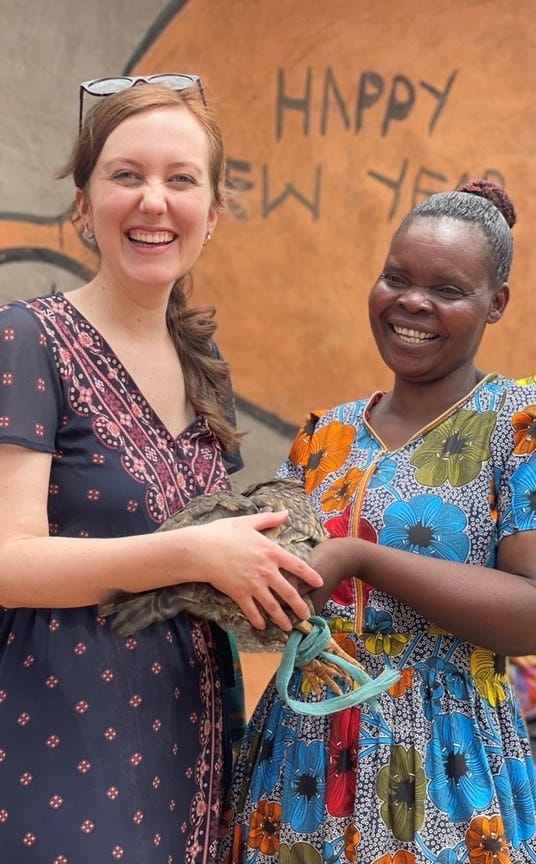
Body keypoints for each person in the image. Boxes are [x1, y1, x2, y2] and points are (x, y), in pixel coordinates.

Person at [0, 76, 322, 864]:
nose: (154, 201)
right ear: (82, 203)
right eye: (126, 175)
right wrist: (191, 555)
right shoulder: (27, 338)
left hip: (192, 729)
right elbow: (8, 562)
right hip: (60, 727)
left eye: (181, 180)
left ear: (212, 214)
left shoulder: (201, 364)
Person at [219, 180, 536, 863]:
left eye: (447, 289)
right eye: (396, 278)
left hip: (446, 762)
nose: (412, 302)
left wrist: (361, 558)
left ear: (496, 304)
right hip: (300, 758)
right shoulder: (325, 435)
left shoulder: (519, 427)